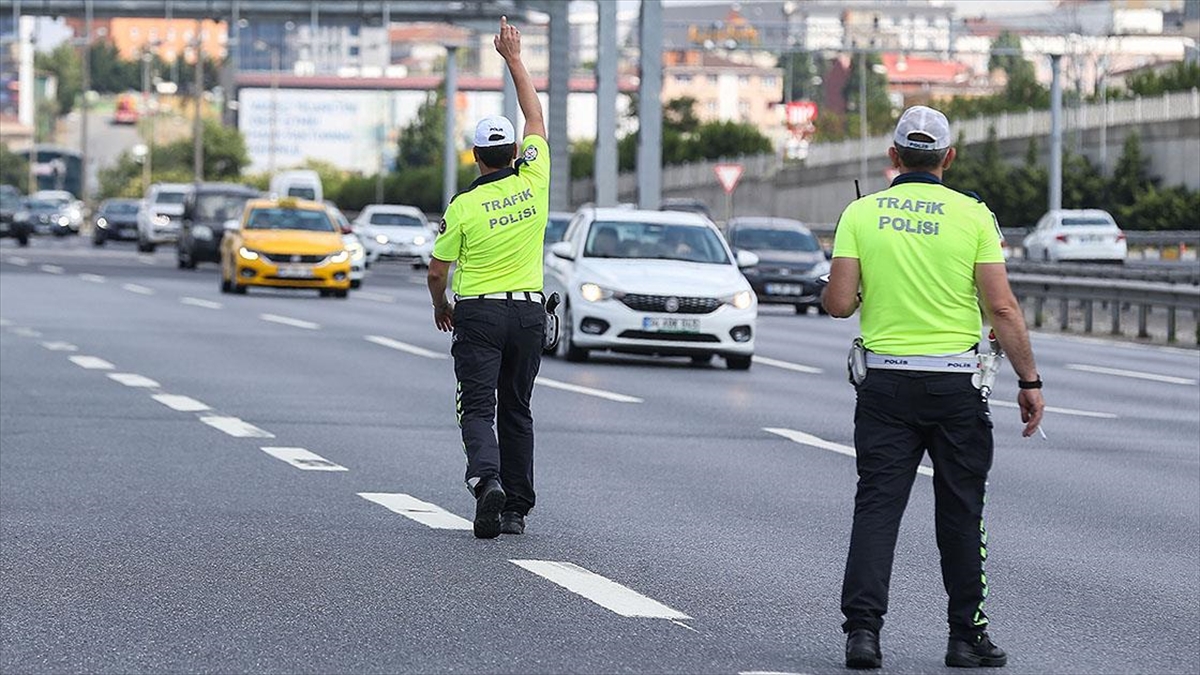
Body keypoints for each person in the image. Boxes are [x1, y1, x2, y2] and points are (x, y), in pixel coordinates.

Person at [822, 105, 1046, 670]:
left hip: (885, 385)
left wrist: (857, 287)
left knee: (877, 508)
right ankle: (965, 637)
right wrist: (1029, 379)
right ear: (948, 157)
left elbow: (839, 304)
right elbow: (1001, 307)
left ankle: (863, 635)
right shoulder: (974, 215)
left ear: (893, 156)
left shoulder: (860, 213)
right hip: (955, 388)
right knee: (961, 512)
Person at [427, 16, 550, 540]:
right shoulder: (535, 179)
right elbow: (535, 115)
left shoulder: (464, 206)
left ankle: (487, 481)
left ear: (476, 157)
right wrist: (514, 59)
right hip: (528, 313)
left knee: (478, 408)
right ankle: (516, 510)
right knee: (517, 409)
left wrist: (442, 306)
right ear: (515, 153)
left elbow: (438, 271)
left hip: (478, 314)